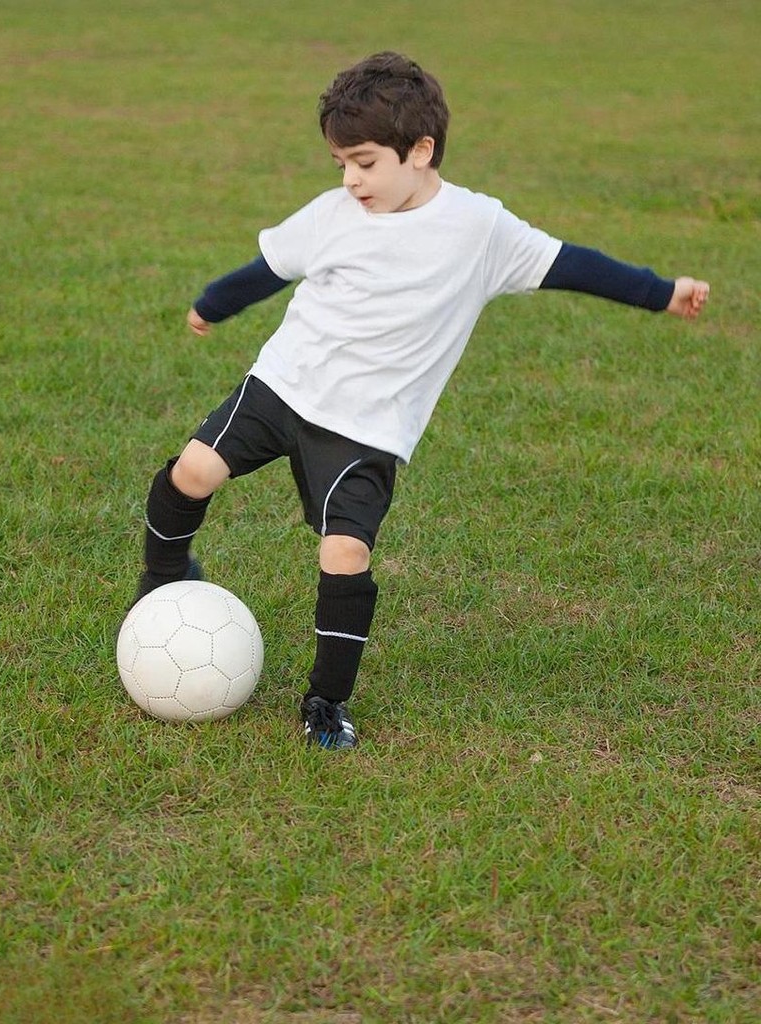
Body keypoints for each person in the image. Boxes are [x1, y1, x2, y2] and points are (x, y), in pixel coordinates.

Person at [132, 51, 710, 750]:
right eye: (341, 163)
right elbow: (270, 269)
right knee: (192, 470)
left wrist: (661, 291)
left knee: (344, 552)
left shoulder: (480, 230)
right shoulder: (333, 215)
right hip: (282, 386)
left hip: (367, 429)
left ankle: (325, 702)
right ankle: (162, 576)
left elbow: (572, 265)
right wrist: (212, 304)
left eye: (365, 162)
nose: (350, 179)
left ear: (421, 150)